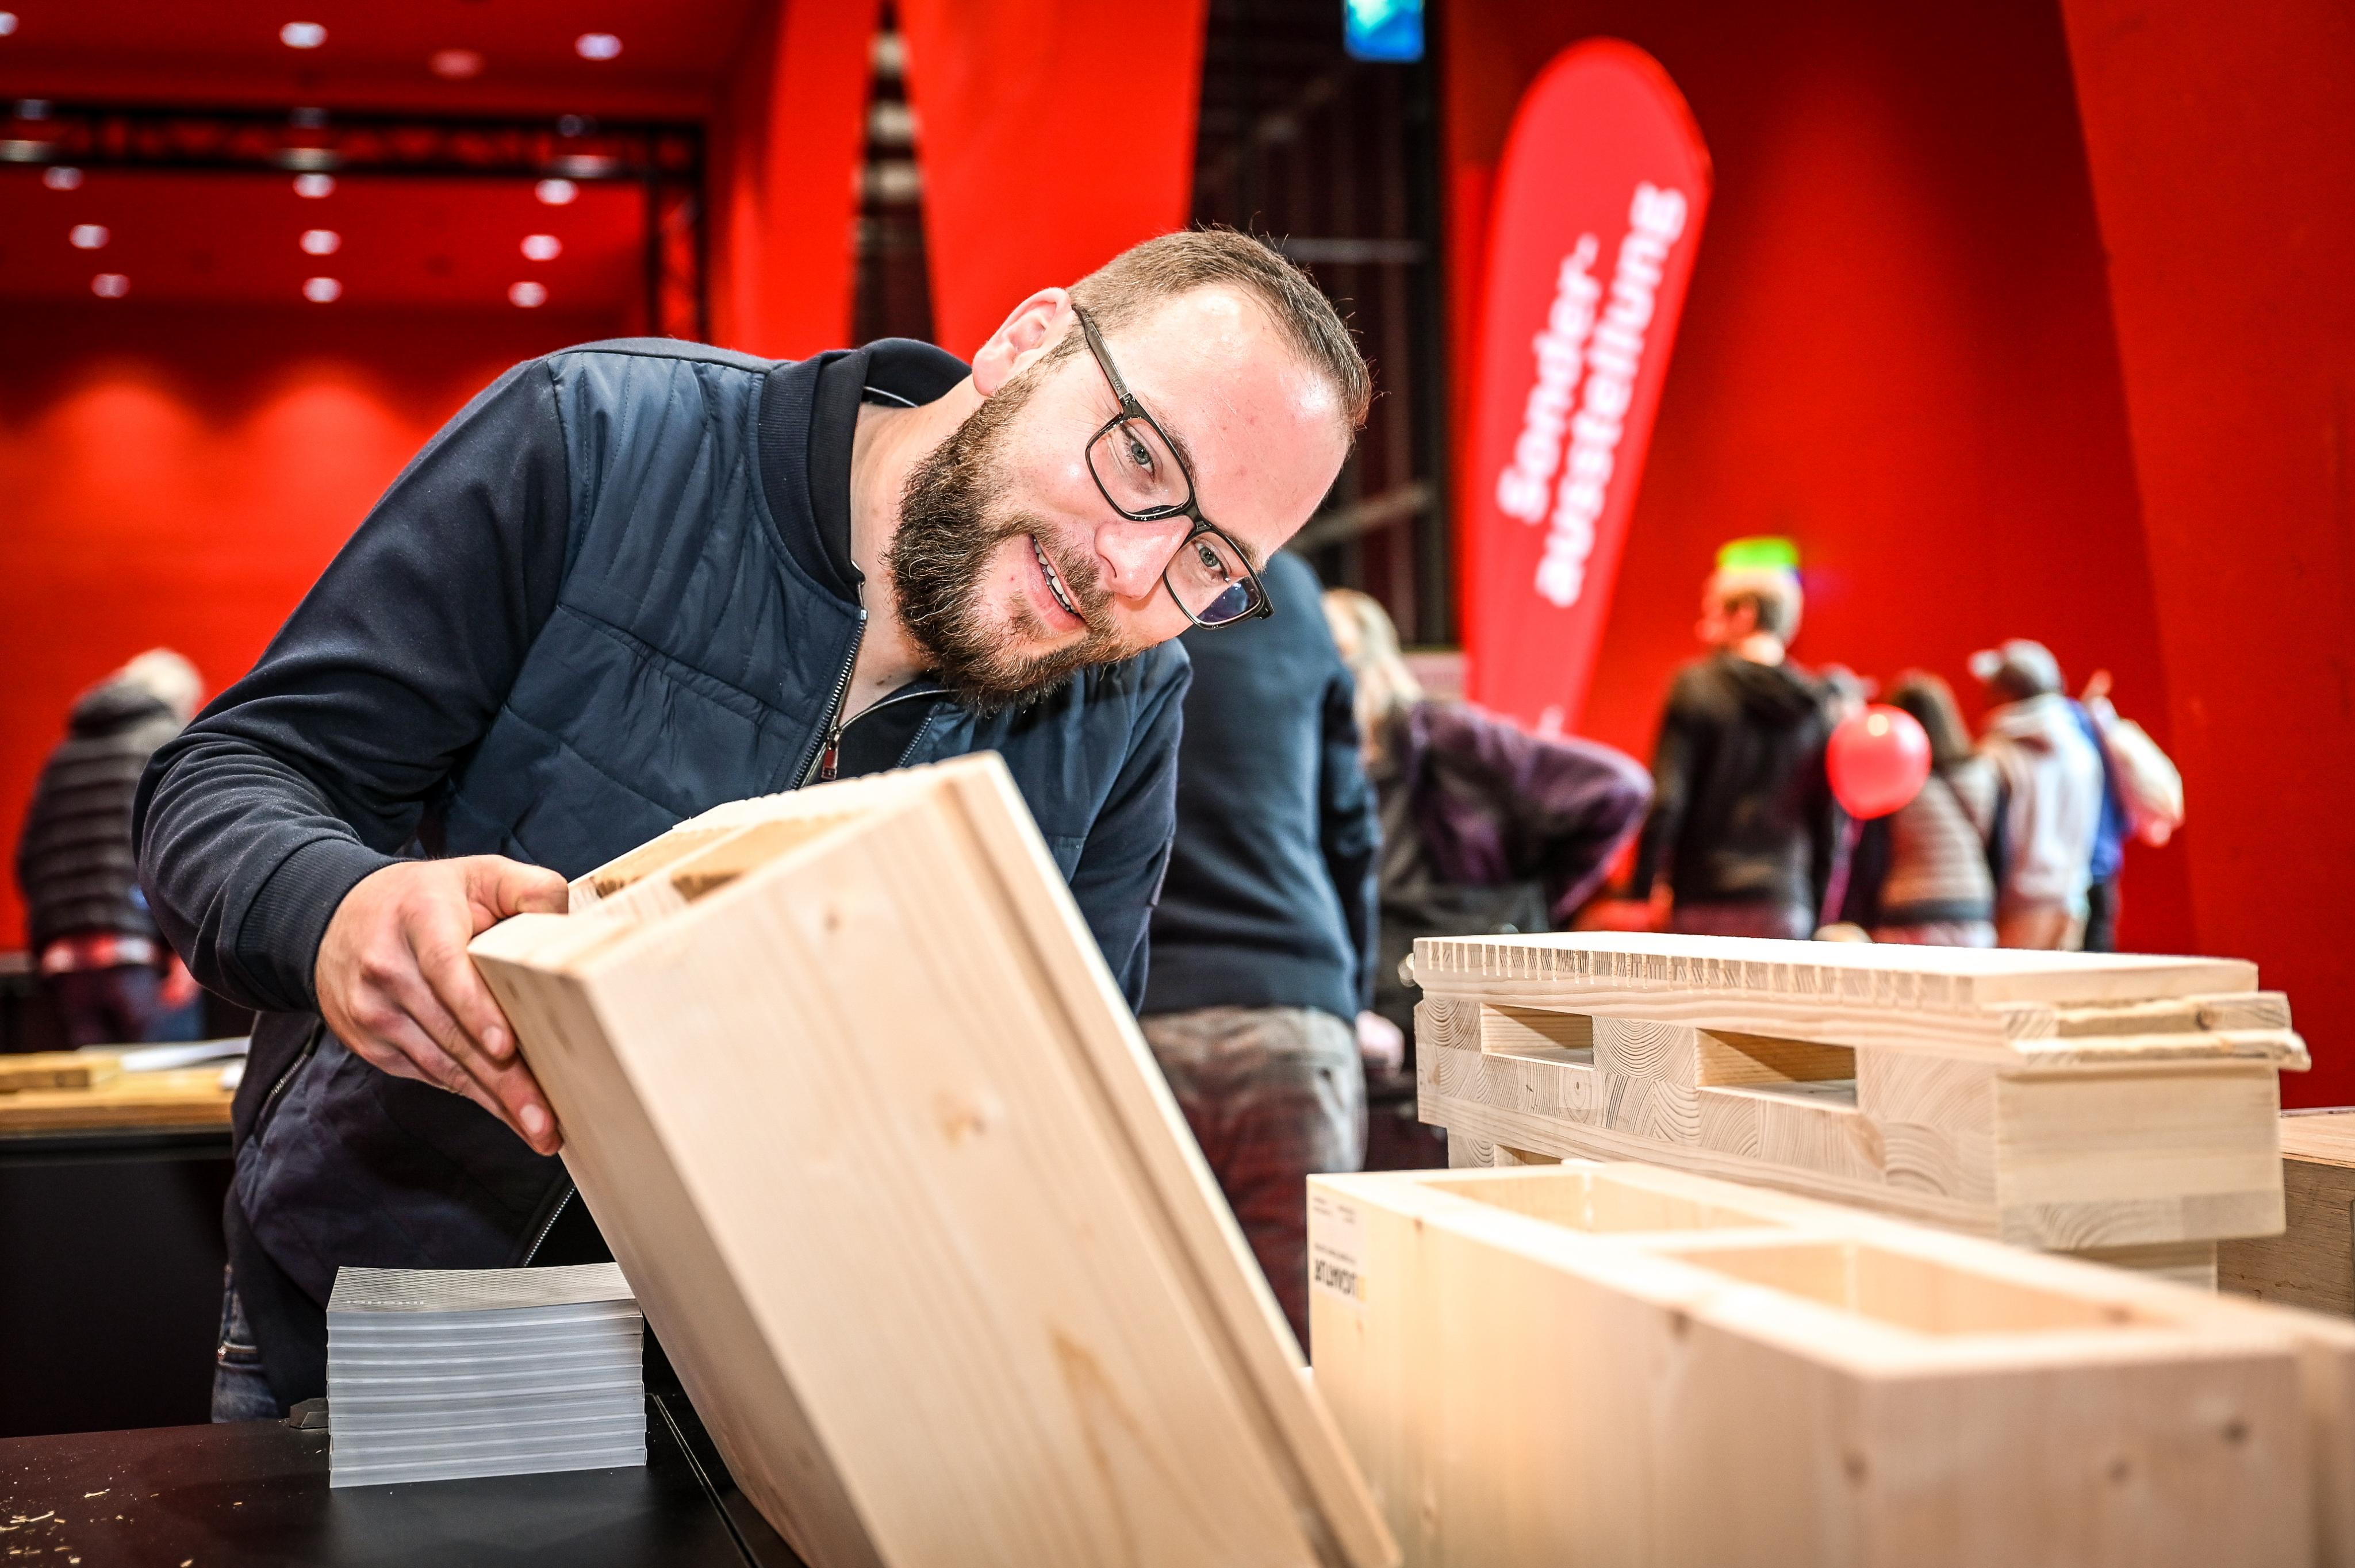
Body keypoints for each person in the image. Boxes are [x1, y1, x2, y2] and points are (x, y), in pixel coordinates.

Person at [134, 228, 1371, 1419]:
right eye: (1141, 461)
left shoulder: (1129, 696)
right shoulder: (601, 437)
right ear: (1026, 341)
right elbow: (230, 776)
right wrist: (338, 908)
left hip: (769, 1409)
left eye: (1212, 560)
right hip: (381, 1330)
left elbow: (1045, 1100)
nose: (1131, 569)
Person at [1140, 551, 1376, 1350]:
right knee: (1316, 1345)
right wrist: (1351, 998)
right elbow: (1349, 822)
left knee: (1154, 1344)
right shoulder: (1293, 592)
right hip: (1293, 1012)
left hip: (1139, 1018)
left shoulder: (1113, 574)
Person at [1322, 589, 1649, 1167]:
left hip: (1458, 982)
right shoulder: (1327, 755)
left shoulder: (1447, 735)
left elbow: (1617, 788)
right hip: (1383, 1001)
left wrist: (1538, 893)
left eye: (1338, 654)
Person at [1627, 566, 1842, 940]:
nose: (1704, 628)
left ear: (1745, 613)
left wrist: (1642, 889)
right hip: (1785, 904)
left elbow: (1668, 799)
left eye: (1713, 613)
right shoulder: (1817, 707)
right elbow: (1828, 822)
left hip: (1703, 898)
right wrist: (1816, 909)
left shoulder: (1697, 686)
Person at [17, 649, 206, 1048]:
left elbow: (29, 859)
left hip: (65, 960)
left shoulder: (63, 753)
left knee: (96, 1083)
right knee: (165, 1077)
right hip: (141, 956)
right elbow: (185, 852)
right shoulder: (167, 742)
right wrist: (187, 952)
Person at [1839, 671, 1999, 947]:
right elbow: (1999, 850)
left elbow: (1873, 856)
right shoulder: (1982, 773)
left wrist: (1860, 916)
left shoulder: (1892, 776)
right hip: (1974, 911)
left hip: (1908, 912)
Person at [1968, 639, 2106, 949]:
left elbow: (1989, 837)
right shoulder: (2081, 750)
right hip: (2072, 902)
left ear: (2007, 693)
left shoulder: (1995, 756)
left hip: (2016, 909)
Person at [2072, 668, 2185, 952]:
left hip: (2079, 871)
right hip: (2106, 865)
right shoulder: (2105, 739)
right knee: (2100, 957)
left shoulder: (2072, 738)